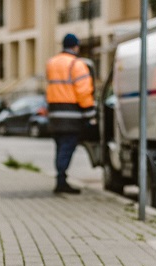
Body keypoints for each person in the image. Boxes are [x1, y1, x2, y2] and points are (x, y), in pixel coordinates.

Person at [45, 33, 95, 194]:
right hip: (71, 116)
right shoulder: (77, 64)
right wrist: (90, 113)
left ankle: (60, 180)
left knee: (60, 148)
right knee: (67, 149)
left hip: (54, 115)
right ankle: (61, 182)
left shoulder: (51, 63)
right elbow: (84, 91)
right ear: (76, 46)